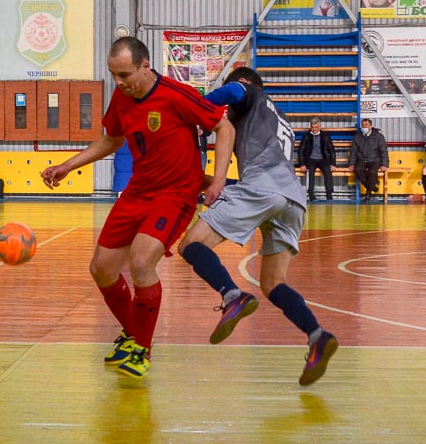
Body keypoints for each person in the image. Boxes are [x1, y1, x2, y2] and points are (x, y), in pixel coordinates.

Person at [41, 37, 234, 379]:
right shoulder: (122, 96)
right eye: (114, 74)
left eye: (125, 74)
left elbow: (224, 125)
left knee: (142, 260)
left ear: (145, 66)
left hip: (174, 195)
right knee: (101, 269)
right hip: (137, 193)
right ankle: (133, 335)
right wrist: (68, 166)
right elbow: (111, 139)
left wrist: (218, 180)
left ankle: (142, 350)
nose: (119, 82)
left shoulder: (176, 94)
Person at [177, 67, 338, 387]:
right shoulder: (279, 118)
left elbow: (235, 92)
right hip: (293, 200)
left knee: (190, 244)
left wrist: (201, 110)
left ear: (245, 84)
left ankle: (232, 294)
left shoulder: (249, 94)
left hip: (263, 191)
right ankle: (317, 335)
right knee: (272, 283)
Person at [348, 119, 389, 202]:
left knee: (373, 172)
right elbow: (353, 152)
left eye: (366, 125)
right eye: (362, 125)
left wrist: (385, 164)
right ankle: (373, 187)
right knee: (357, 170)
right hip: (362, 159)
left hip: (375, 159)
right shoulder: (357, 137)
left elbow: (384, 151)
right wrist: (351, 164)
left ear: (371, 126)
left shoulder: (378, 137)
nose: (364, 127)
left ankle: (368, 193)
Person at [297, 117, 337, 201]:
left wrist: (333, 164)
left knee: (328, 171)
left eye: (316, 127)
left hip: (323, 159)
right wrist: (302, 164)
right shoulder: (306, 136)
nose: (314, 129)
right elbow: (301, 150)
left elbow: (331, 150)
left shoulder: (325, 136)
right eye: (312, 127)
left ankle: (329, 195)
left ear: (319, 127)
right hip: (310, 159)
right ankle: (311, 194)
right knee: (310, 172)